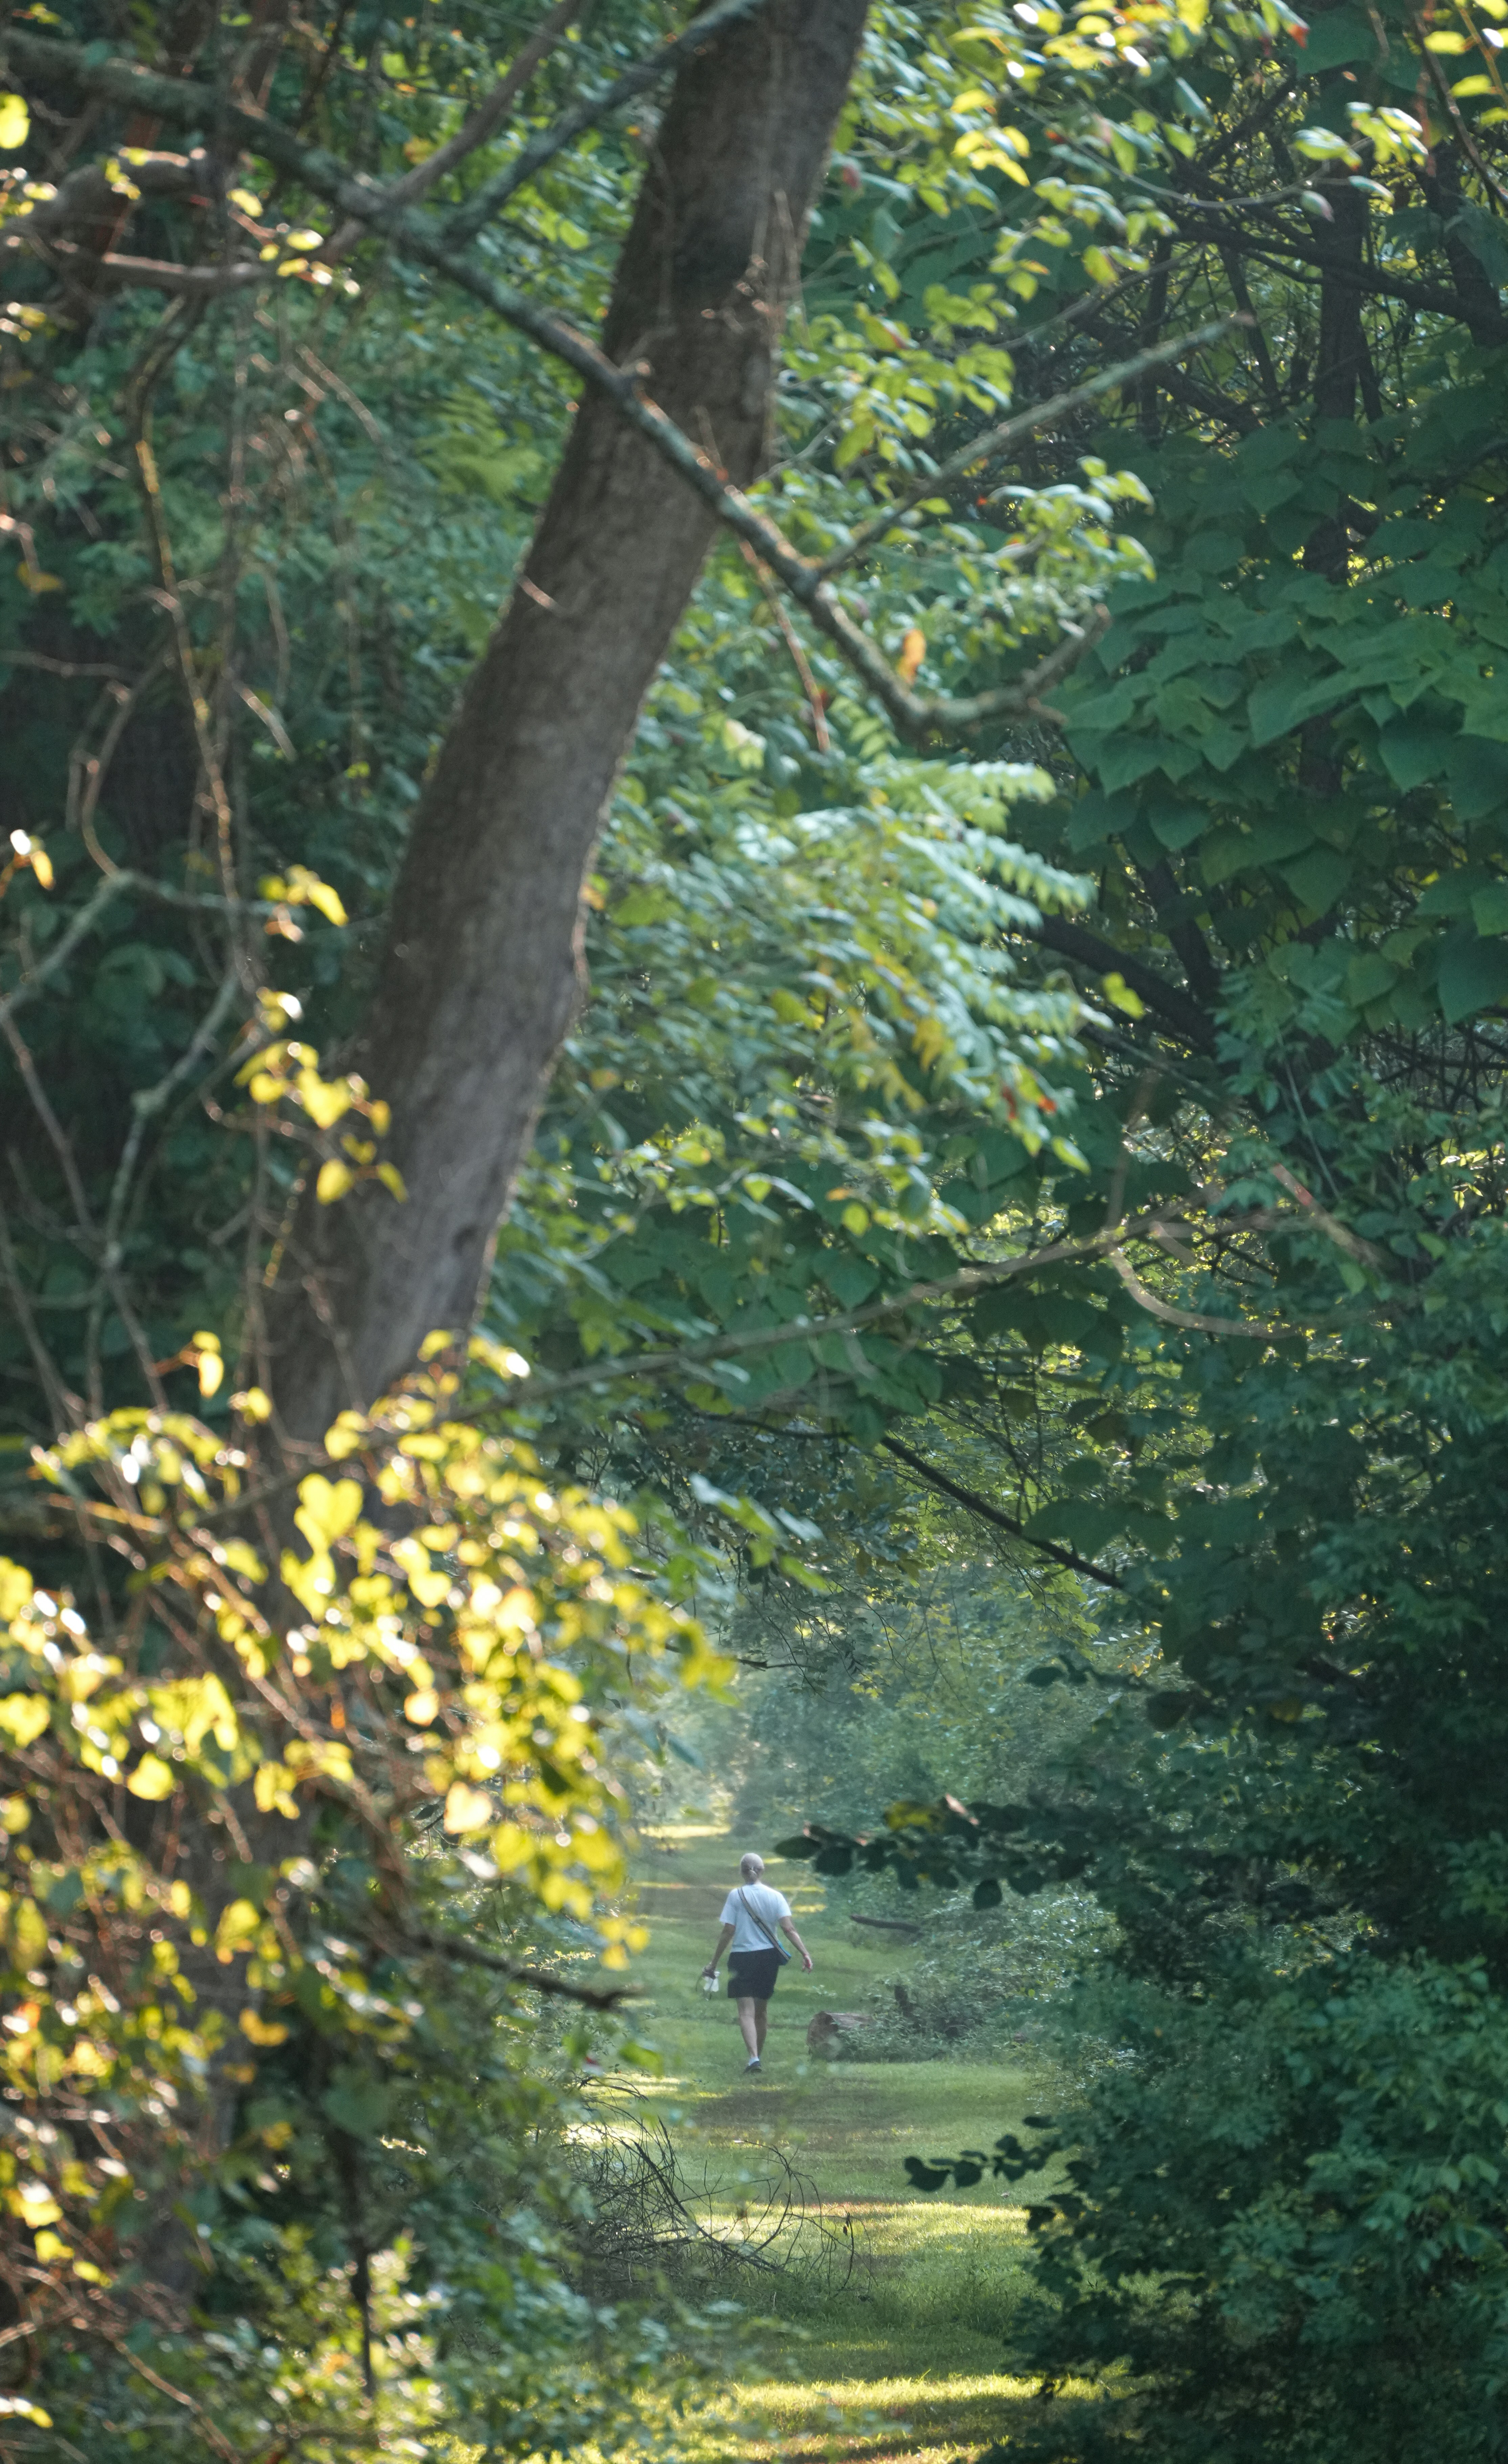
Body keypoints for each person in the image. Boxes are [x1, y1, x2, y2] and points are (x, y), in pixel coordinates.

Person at [702, 1851, 812, 2072]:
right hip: (768, 1958)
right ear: (763, 1871)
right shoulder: (776, 1897)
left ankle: (754, 2058)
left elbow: (728, 1931)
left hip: (742, 1957)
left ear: (742, 1872)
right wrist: (805, 1953)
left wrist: (713, 1963)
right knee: (761, 2012)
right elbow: (788, 1929)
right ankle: (756, 2058)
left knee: (746, 2012)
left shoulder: (736, 1896)